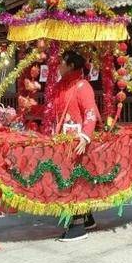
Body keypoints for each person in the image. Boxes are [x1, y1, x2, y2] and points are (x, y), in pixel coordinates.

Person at [52, 50, 100, 242]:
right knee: (69, 178)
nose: (58, 66)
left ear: (71, 65)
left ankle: (78, 225)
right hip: (64, 141)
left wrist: (85, 137)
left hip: (77, 142)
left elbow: (90, 113)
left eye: (61, 63)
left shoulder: (82, 86)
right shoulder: (61, 86)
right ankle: (87, 218)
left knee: (73, 181)